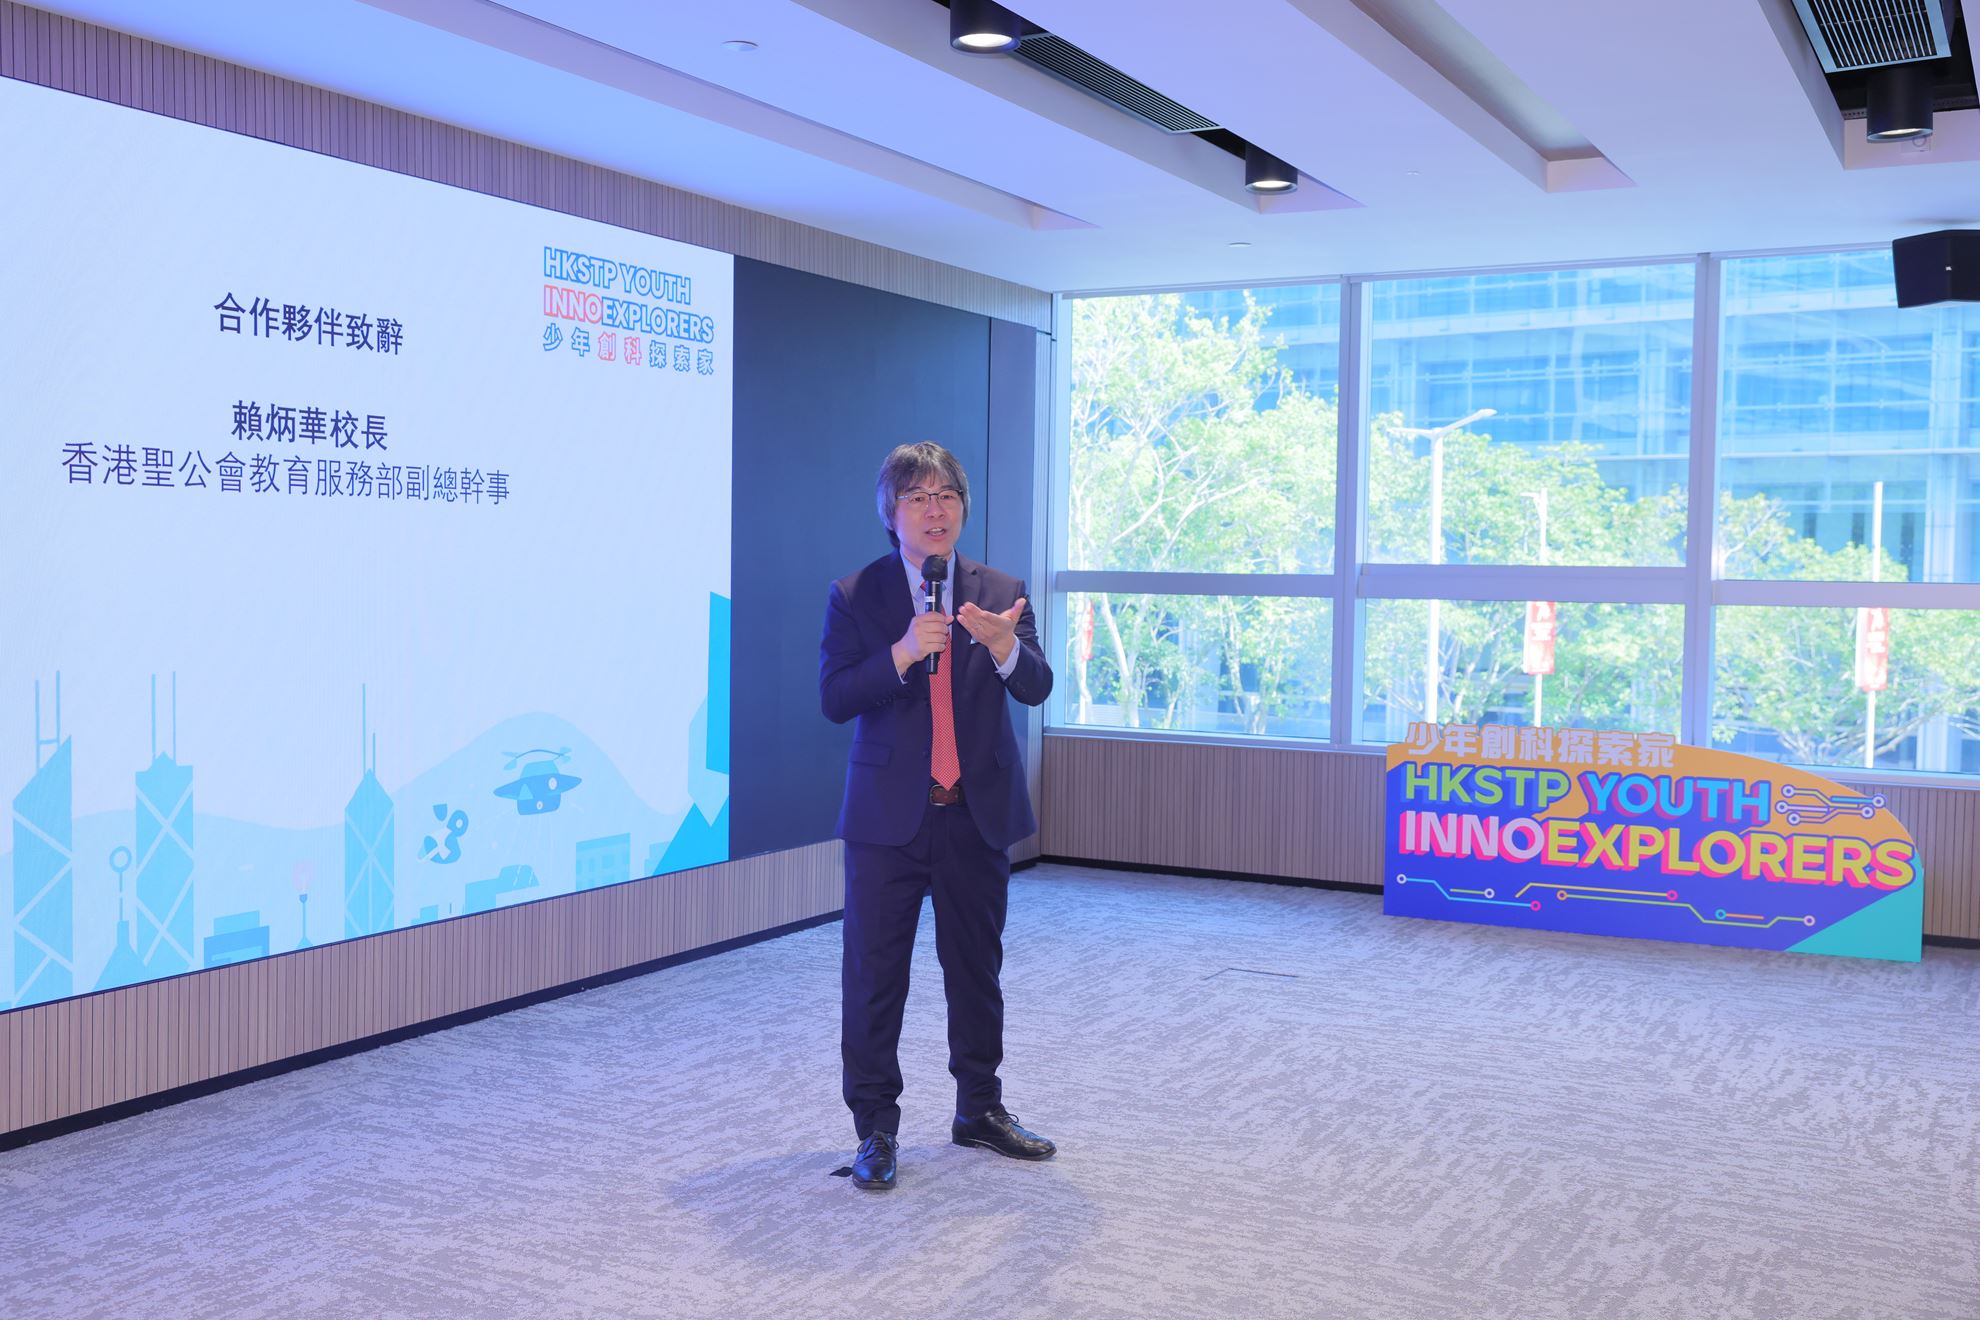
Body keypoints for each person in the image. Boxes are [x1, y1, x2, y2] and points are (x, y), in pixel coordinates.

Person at [819, 441, 1055, 1192]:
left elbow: (1037, 686)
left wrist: (1006, 648)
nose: (934, 510)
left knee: (976, 970)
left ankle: (978, 1109)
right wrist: (897, 654)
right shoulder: (857, 594)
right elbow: (835, 697)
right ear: (891, 514)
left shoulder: (1002, 590)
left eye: (946, 496)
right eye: (917, 497)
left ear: (963, 508)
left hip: (973, 815)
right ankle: (875, 1128)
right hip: (887, 821)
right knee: (874, 975)